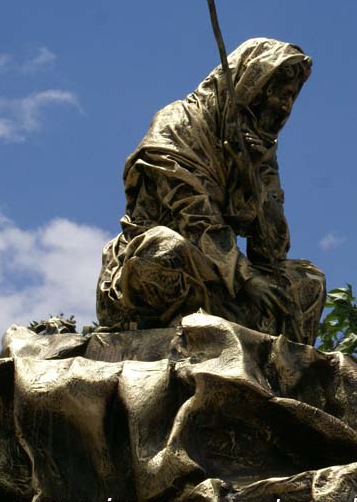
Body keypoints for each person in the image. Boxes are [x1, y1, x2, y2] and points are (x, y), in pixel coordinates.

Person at [96, 38, 325, 344]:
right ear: (254, 85)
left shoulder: (259, 151)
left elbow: (271, 253)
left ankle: (279, 363)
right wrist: (245, 277)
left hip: (221, 284)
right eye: (281, 94)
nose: (286, 106)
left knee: (307, 281)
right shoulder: (177, 123)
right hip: (161, 272)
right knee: (165, 247)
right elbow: (194, 217)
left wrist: (253, 180)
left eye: (292, 97)